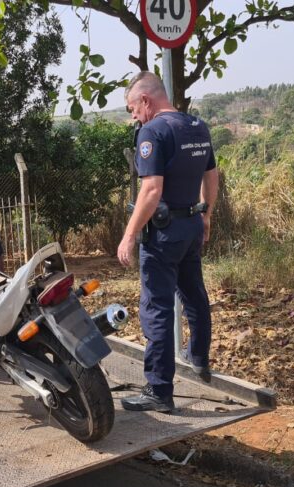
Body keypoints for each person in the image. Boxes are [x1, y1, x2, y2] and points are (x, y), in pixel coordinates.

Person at [117, 72, 219, 413]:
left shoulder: (154, 131)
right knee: (194, 294)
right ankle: (200, 358)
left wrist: (130, 234)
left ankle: (159, 390)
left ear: (146, 100)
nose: (133, 115)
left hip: (163, 232)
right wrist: (206, 214)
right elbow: (211, 174)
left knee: (156, 308)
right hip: (191, 224)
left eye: (133, 107)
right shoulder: (196, 125)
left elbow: (151, 190)